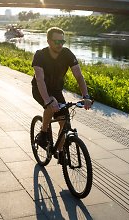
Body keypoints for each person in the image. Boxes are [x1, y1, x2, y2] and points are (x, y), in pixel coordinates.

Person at [31, 27, 92, 164]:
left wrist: (86, 96)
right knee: (51, 104)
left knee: (64, 121)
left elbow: (79, 76)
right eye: (56, 41)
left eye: (62, 41)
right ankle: (44, 132)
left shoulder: (67, 54)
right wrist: (47, 100)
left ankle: (59, 151)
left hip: (56, 90)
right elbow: (40, 79)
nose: (60, 45)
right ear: (48, 41)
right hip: (39, 89)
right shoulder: (40, 55)